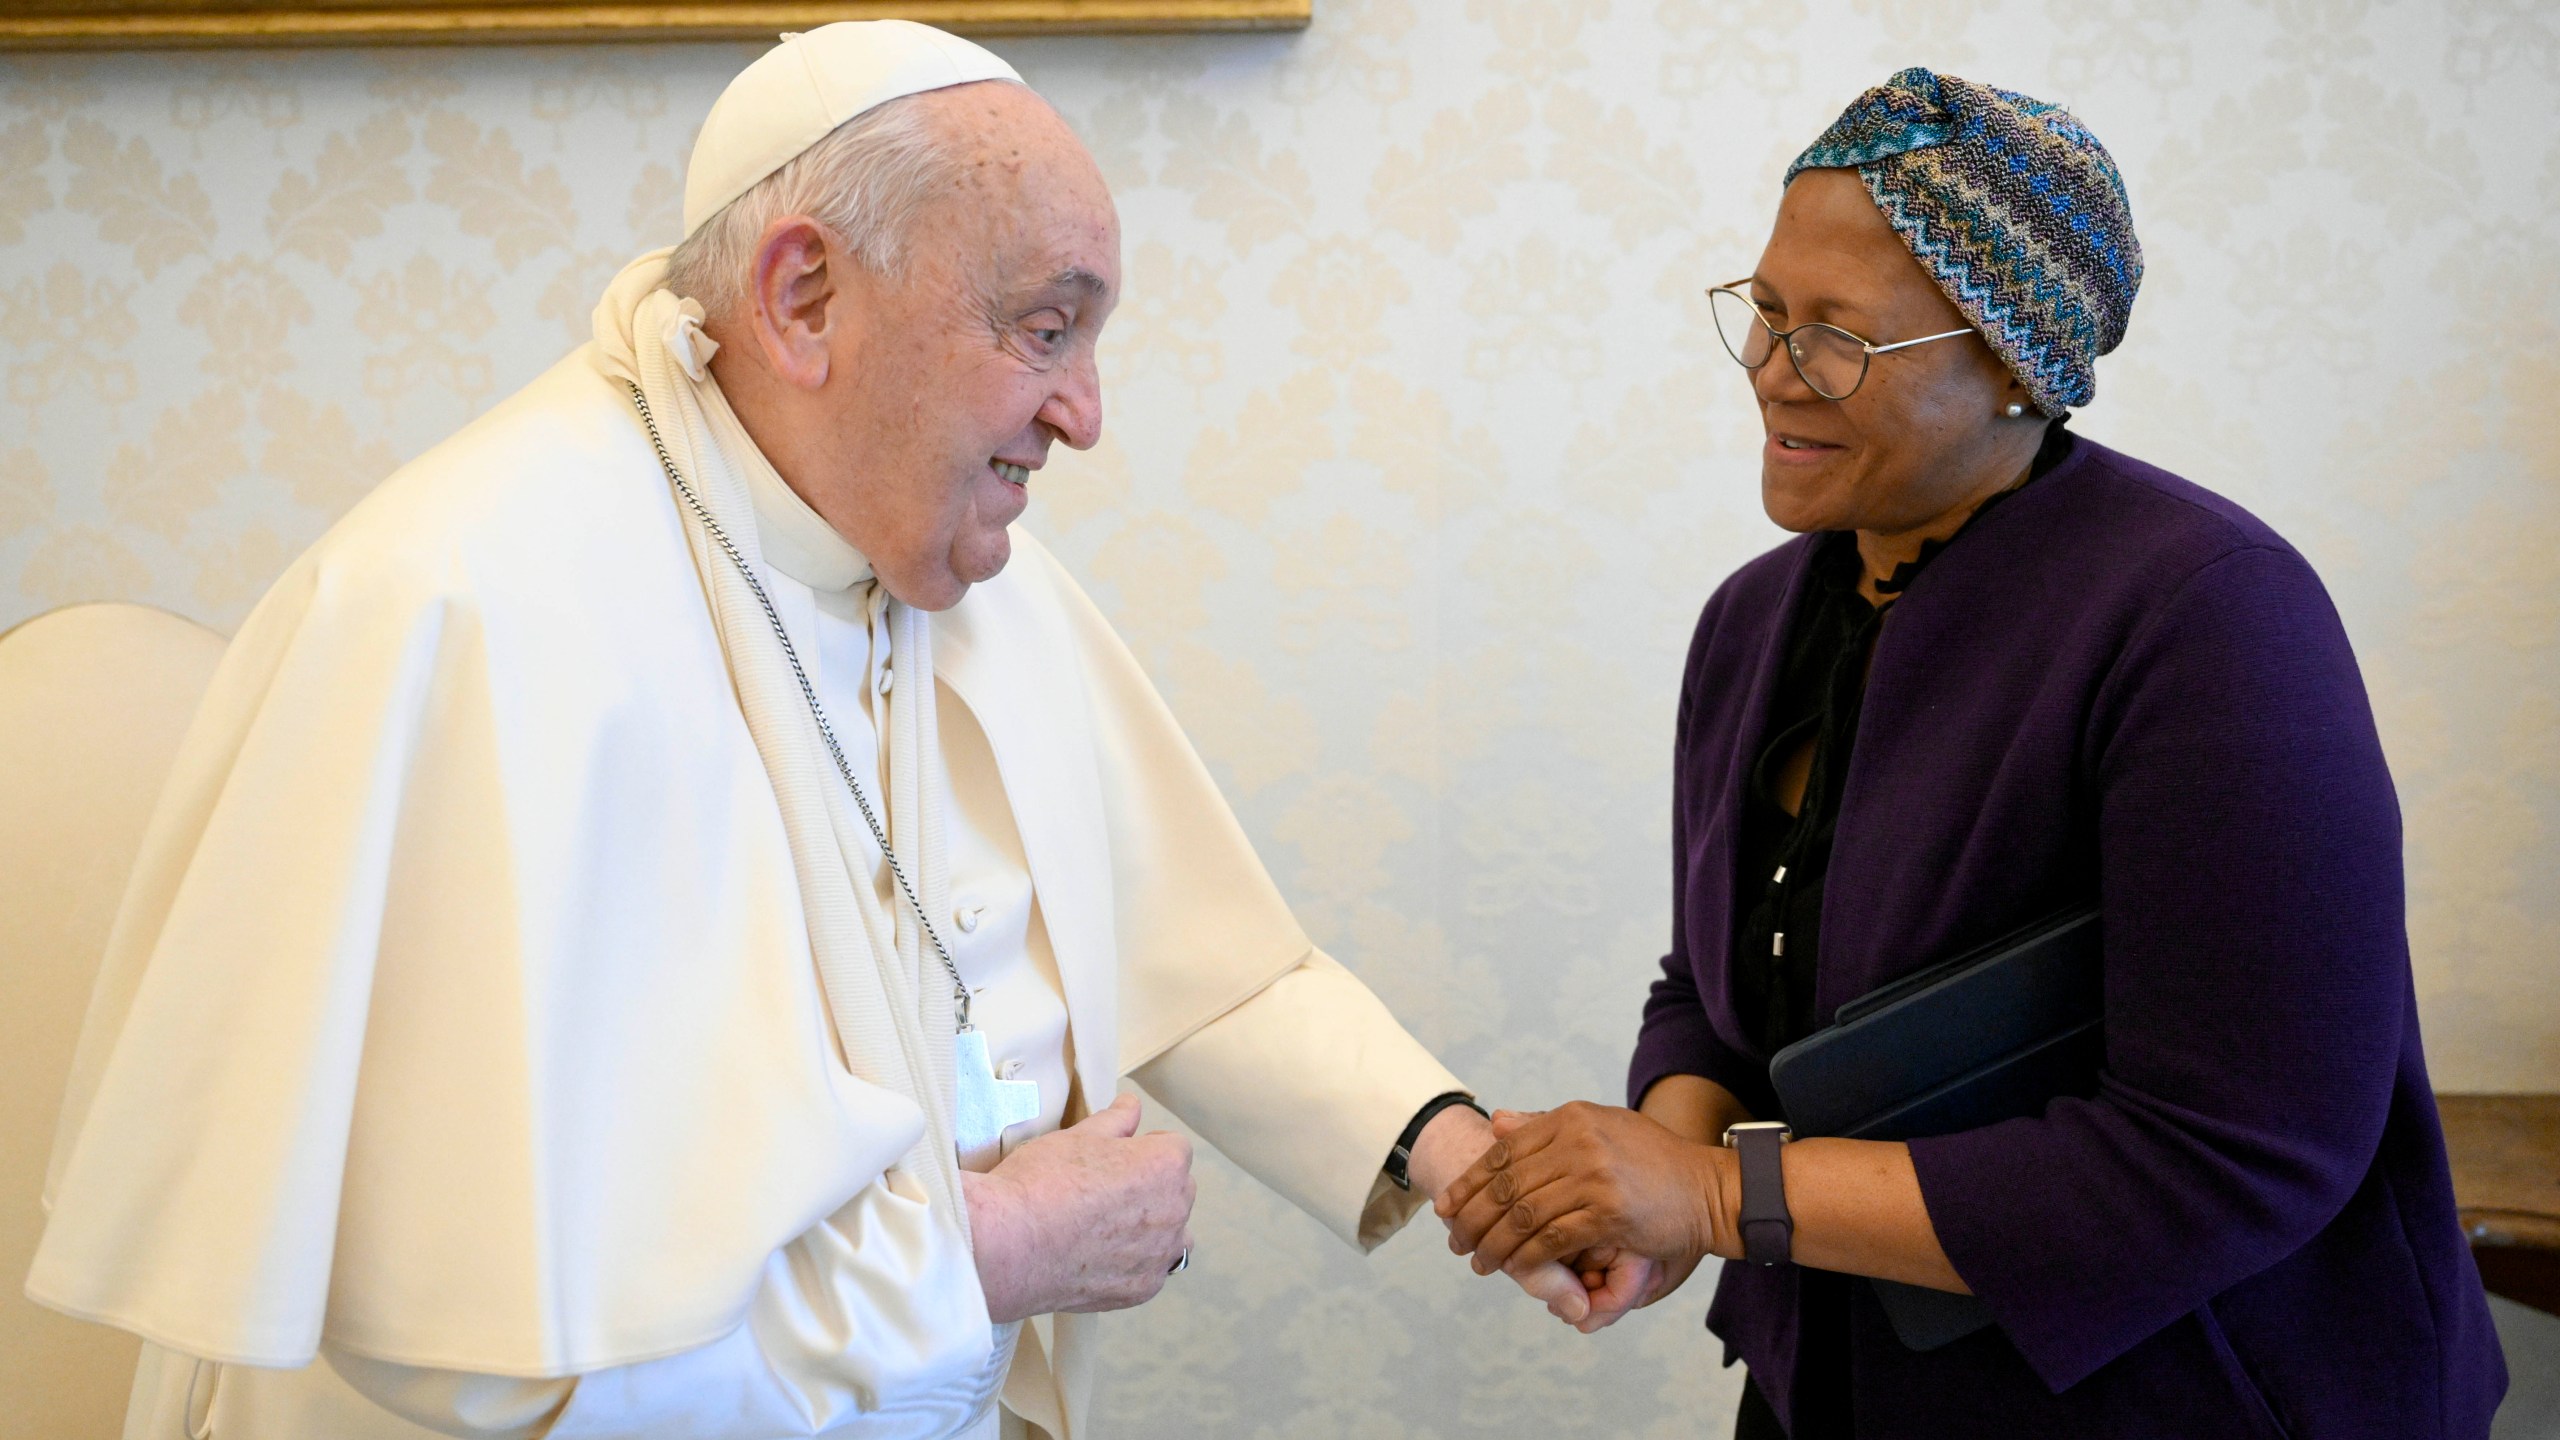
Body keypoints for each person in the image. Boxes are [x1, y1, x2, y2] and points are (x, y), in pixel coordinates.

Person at [26, 23, 1578, 1439]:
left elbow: (1200, 949)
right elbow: (484, 1343)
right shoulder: (470, 609)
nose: (1087, 413)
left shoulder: (951, 556)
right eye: (1047, 329)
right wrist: (997, 1249)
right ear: (803, 297)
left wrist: (1457, 1152)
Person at [1438, 67, 2509, 1438]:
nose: (1773, 373)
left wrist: (1717, 1194)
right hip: (1834, 1388)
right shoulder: (1756, 620)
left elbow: (2235, 1157)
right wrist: (1663, 1188)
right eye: (1762, 314)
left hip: (2189, 1398)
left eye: (1838, 338)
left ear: (2013, 361)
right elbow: (1719, 989)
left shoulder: (2213, 616)